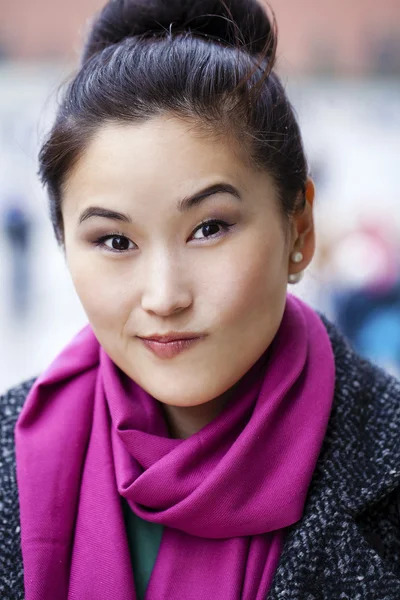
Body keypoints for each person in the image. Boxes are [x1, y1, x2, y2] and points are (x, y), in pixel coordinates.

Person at [1, 1, 399, 598]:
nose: (164, 297)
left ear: (300, 228)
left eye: (210, 228)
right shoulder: (12, 456)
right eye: (114, 240)